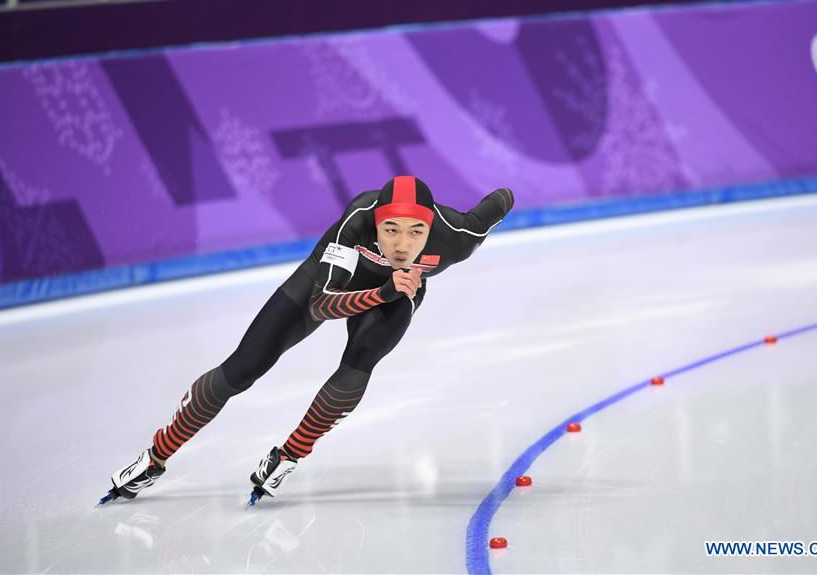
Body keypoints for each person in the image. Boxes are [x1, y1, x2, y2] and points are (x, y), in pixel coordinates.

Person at [99, 175, 514, 505]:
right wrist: (385, 290)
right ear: (377, 222)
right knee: (242, 368)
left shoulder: (458, 235)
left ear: (431, 228)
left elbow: (499, 201)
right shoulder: (357, 220)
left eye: (414, 232)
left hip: (398, 294)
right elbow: (321, 306)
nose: (402, 245)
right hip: (329, 286)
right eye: (390, 230)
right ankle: (155, 457)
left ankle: (290, 455)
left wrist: (508, 194)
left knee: (358, 365)